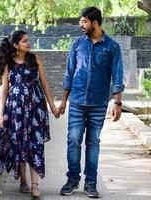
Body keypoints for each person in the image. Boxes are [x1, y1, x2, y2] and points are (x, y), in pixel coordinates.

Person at [59, 6, 124, 198]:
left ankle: (91, 183)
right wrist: (64, 100)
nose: (81, 24)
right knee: (73, 140)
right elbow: (69, 73)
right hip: (77, 101)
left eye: (84, 21)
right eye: (80, 21)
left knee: (93, 142)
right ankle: (72, 179)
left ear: (95, 23)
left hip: (98, 103)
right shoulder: (77, 44)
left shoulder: (112, 46)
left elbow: (117, 75)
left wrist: (117, 103)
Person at [0, 30, 60, 198]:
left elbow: (45, 84)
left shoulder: (36, 60)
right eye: (25, 41)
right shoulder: (9, 64)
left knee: (35, 144)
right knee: (20, 144)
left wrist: (52, 106)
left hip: (36, 110)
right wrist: (1, 116)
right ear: (16, 45)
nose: (29, 43)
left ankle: (35, 185)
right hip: (15, 112)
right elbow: (4, 92)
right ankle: (23, 181)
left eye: (28, 40)